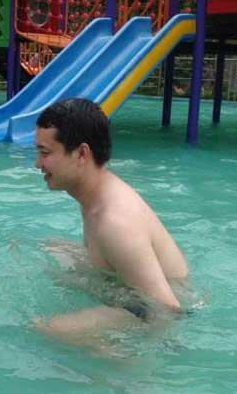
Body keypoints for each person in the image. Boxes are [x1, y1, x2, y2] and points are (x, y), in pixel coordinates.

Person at [33, 98, 189, 345]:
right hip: (137, 291)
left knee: (48, 328)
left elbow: (168, 310)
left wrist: (100, 338)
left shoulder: (116, 223)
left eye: (45, 153)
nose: (37, 164)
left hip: (162, 309)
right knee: (49, 247)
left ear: (82, 154)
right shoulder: (95, 197)